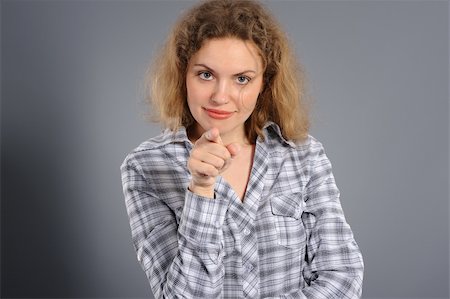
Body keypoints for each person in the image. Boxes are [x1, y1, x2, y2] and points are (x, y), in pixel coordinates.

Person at [121, 0, 364, 298]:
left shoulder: (304, 156)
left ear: (264, 83)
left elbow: (342, 278)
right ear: (183, 74)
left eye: (241, 79)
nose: (221, 97)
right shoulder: (145, 167)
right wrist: (201, 189)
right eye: (206, 75)